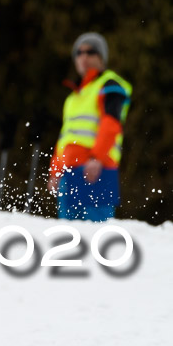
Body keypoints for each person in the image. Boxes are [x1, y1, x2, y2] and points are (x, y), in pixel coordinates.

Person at [48, 32, 132, 222]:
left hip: (97, 171)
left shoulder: (111, 85)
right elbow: (66, 137)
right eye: (79, 53)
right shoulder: (74, 97)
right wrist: (55, 171)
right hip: (69, 175)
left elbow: (111, 125)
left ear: (101, 57)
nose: (83, 57)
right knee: (68, 238)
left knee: (96, 238)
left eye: (90, 52)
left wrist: (97, 159)